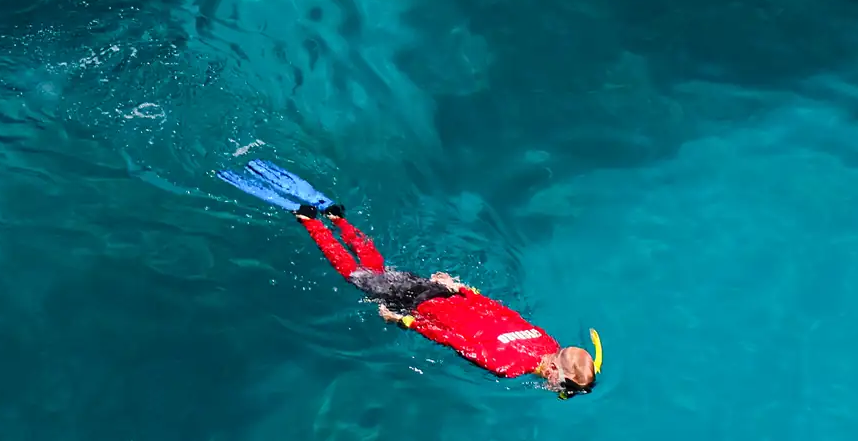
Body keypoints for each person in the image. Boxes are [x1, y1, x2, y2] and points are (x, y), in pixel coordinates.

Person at [218, 159, 601, 399]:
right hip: (418, 305)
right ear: (553, 371)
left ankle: (338, 218)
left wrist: (461, 288)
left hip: (441, 292)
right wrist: (404, 320)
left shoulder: (544, 339)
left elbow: (501, 312)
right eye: (562, 386)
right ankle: (310, 220)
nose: (557, 389)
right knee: (354, 274)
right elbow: (451, 338)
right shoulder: (508, 368)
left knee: (378, 269)